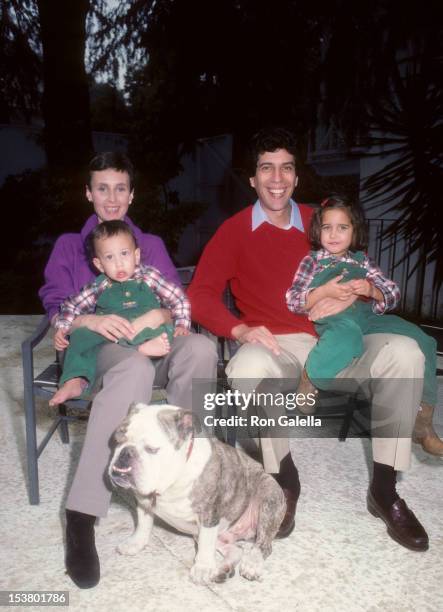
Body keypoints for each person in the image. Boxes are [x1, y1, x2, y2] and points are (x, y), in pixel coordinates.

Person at [188, 126, 430, 552]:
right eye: (266, 168)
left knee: (405, 352)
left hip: (341, 338)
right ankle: (283, 481)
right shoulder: (234, 230)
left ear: (297, 177)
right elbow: (201, 295)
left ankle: (385, 490)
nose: (276, 178)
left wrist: (367, 292)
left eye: (286, 168)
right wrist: (240, 329)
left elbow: (370, 277)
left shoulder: (324, 222)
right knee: (244, 368)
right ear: (252, 178)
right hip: (277, 344)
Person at [39, 151, 218, 589]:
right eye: (102, 187)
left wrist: (155, 321)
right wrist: (90, 321)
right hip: (101, 352)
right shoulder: (68, 245)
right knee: (134, 369)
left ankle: (191, 479)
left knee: (200, 349)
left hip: (152, 340)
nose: (112, 197)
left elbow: (171, 299)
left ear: (132, 194)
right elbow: (57, 302)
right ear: (89, 192)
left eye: (121, 188)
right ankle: (82, 515)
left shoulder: (149, 244)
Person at [285, 195, 442, 457]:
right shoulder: (312, 261)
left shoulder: (362, 260)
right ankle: (310, 377)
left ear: (354, 230)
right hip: (337, 319)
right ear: (318, 231)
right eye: (327, 227)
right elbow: (293, 299)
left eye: (342, 227)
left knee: (424, 340)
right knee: (348, 337)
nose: (334, 234)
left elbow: (392, 292)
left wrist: (371, 289)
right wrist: (324, 291)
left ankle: (423, 423)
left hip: (367, 315)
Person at [50, 220, 191, 407]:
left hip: (148, 329)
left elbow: (177, 298)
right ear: (99, 265)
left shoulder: (150, 276)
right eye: (109, 257)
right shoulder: (99, 286)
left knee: (160, 328)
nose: (119, 263)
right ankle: (75, 379)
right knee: (80, 335)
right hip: (113, 335)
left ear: (137, 255)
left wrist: (182, 323)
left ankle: (143, 347)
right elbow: (72, 306)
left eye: (124, 254)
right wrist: (63, 327)